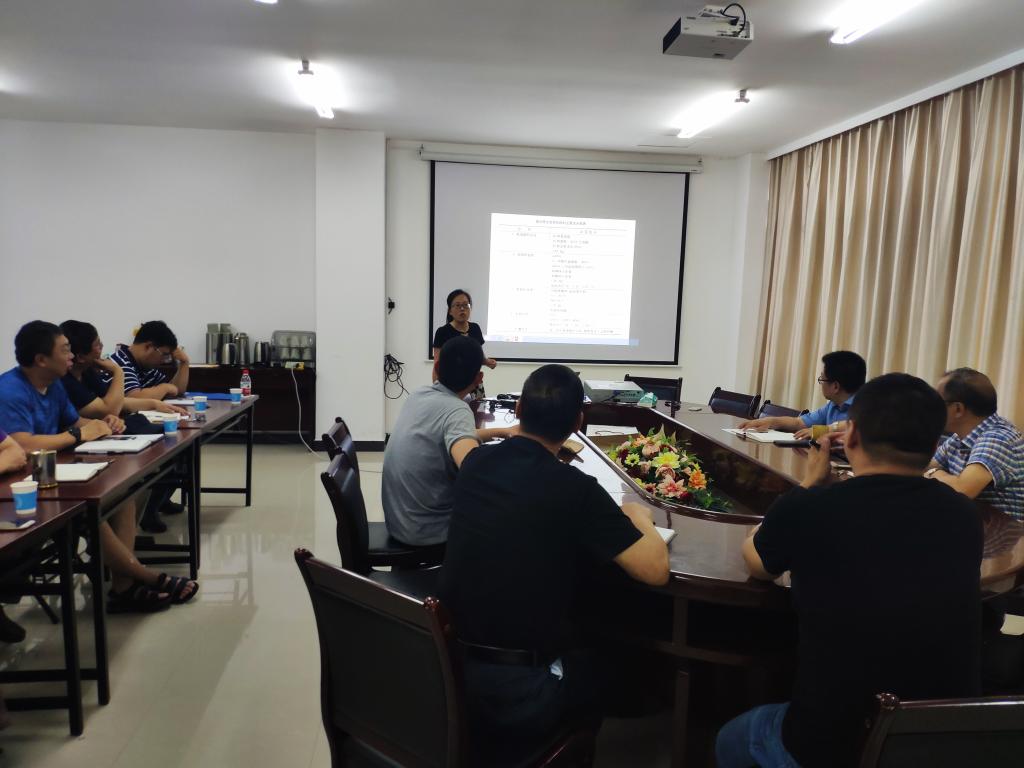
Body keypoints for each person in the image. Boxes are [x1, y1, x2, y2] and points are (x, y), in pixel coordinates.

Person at [717, 373, 982, 768]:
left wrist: (808, 485)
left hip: (833, 742)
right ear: (934, 446)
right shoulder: (963, 513)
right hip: (937, 738)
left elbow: (757, 563)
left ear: (851, 435)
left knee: (731, 738)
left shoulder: (812, 507)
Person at [438, 363, 670, 757]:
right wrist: (639, 518)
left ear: (518, 410)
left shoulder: (475, 464)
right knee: (619, 666)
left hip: (449, 668)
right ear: (578, 423)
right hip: (520, 693)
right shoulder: (576, 490)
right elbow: (655, 571)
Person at [0, 321, 197, 611]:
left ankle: (123, 586)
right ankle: (144, 577)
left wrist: (104, 423)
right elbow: (23, 445)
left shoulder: (53, 385)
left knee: (122, 497)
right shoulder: (10, 390)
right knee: (89, 511)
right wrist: (79, 434)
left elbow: (76, 421)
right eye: (65, 350)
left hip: (54, 472)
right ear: (41, 359)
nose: (71, 356)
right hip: (20, 487)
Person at [382, 335, 515, 546]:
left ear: (436, 367)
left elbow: (451, 435)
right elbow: (472, 469)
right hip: (427, 531)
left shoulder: (419, 395)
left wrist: (503, 432)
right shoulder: (457, 410)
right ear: (479, 379)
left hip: (401, 521)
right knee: (508, 518)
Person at [101, 320, 190, 532]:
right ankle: (149, 509)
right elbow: (135, 396)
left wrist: (184, 363)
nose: (164, 360)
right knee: (167, 450)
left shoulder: (144, 365)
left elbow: (176, 389)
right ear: (149, 346)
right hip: (117, 429)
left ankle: (159, 500)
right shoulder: (121, 362)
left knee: (184, 447)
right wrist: (163, 388)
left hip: (136, 423)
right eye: (164, 354)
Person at [926, 367, 1024, 522]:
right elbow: (923, 466)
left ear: (958, 409)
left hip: (1002, 535)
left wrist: (933, 473)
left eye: (938, 403)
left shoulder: (998, 438)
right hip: (972, 526)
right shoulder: (960, 437)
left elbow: (962, 490)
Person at [60, 320, 187, 422]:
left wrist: (154, 404)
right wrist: (118, 372)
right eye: (98, 345)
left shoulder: (87, 372)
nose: (102, 347)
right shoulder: (66, 380)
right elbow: (110, 410)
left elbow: (121, 402)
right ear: (80, 357)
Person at [738, 350, 866, 439]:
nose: (820, 384)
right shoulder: (833, 405)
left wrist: (822, 431)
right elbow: (799, 423)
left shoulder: (868, 406)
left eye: (822, 379)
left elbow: (857, 425)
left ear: (835, 386)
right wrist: (770, 421)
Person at [432, 289, 496, 399]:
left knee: (479, 408)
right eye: (457, 305)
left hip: (474, 383)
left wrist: (487, 362)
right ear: (450, 311)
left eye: (466, 305)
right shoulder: (442, 332)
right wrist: (437, 388)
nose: (462, 309)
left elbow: (478, 356)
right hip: (451, 384)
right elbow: (437, 363)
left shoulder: (475, 328)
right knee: (454, 408)